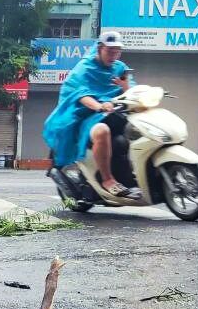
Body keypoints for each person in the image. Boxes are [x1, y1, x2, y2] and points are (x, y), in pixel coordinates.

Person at [43, 30, 136, 198]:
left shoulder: (120, 68)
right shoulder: (84, 69)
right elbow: (81, 95)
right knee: (102, 131)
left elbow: (132, 92)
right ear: (100, 48)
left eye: (117, 51)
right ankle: (108, 180)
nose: (113, 55)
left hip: (116, 115)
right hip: (87, 117)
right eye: (110, 51)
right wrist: (99, 106)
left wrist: (125, 87)